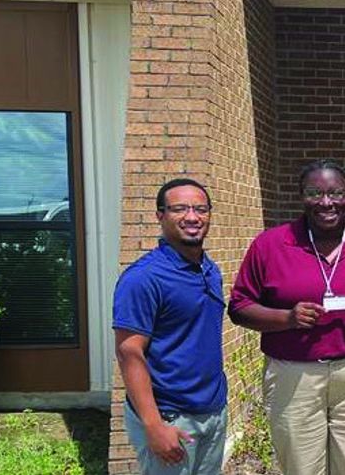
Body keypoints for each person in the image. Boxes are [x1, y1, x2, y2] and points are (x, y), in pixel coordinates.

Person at [228, 160, 345, 475]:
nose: (326, 202)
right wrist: (287, 318)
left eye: (336, 193)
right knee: (300, 469)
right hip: (294, 375)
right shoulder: (270, 244)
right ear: (302, 196)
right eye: (315, 193)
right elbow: (240, 307)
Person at [113, 178, 227, 475]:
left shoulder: (209, 269)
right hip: (170, 416)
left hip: (213, 410)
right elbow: (129, 353)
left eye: (200, 209)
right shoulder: (143, 278)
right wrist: (153, 425)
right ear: (160, 216)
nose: (192, 217)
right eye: (179, 209)